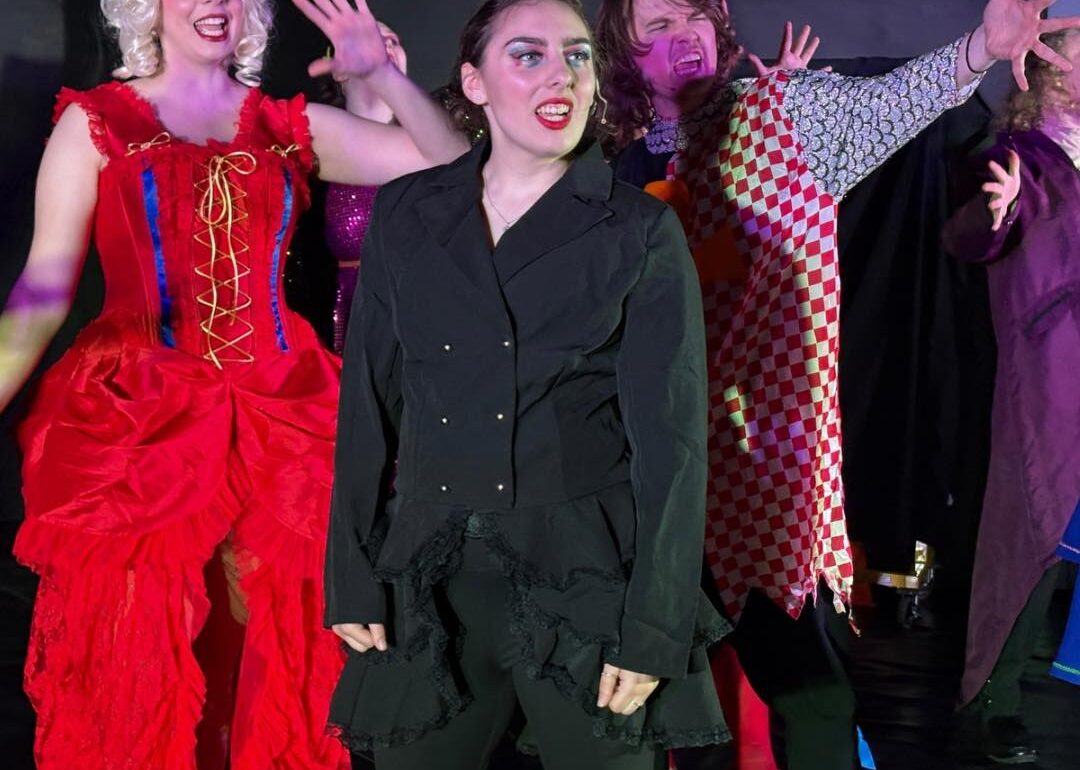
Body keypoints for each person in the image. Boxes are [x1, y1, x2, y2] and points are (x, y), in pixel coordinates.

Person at [594, 0, 1080, 767]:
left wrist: (978, 49)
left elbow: (895, 103)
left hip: (759, 472)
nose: (681, 34)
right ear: (626, 56)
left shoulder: (790, 115)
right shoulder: (622, 173)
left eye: (692, 13)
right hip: (651, 469)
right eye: (656, 26)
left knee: (810, 693)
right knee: (660, 697)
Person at [0, 0, 468, 768]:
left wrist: (382, 73)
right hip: (142, 428)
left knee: (282, 650)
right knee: (140, 659)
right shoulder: (96, 122)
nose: (213, 3)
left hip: (282, 416)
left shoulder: (282, 123)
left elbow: (453, 170)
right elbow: (43, 292)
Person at [324, 0, 728, 768]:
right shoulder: (410, 212)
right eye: (529, 55)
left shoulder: (635, 231)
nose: (563, 75)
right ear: (474, 84)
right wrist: (350, 572)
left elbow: (672, 450)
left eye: (577, 56)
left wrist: (655, 627)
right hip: (431, 578)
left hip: (586, 585)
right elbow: (368, 409)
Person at [942, 27, 1080, 764]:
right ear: (1045, 69)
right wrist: (993, 214)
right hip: (1052, 382)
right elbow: (970, 234)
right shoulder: (1017, 159)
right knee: (1035, 538)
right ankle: (994, 698)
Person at [324, 21, 408, 353]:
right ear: (339, 69)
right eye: (372, 40)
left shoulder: (435, 150)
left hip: (414, 331)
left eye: (394, 40)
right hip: (340, 334)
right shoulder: (310, 153)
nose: (386, 46)